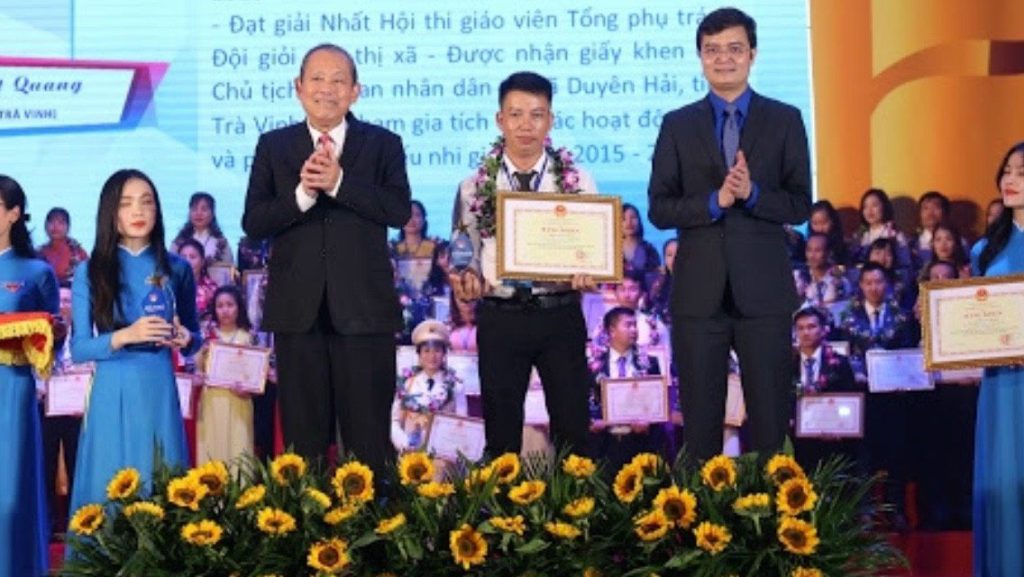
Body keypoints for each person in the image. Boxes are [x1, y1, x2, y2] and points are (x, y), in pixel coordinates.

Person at [646, 7, 811, 462]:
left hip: (764, 294)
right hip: (699, 296)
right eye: (712, 50)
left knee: (771, 427)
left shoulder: (785, 119)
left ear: (752, 55)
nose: (724, 59)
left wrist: (753, 194)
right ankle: (701, 510)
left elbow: (800, 204)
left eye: (734, 49)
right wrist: (713, 202)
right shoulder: (677, 124)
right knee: (700, 432)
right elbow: (659, 208)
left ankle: (773, 508)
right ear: (700, 57)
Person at [241, 43, 411, 475]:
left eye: (338, 80)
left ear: (355, 91)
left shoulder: (383, 144)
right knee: (304, 444)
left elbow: (397, 211)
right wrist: (301, 196)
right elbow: (254, 222)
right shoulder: (274, 145)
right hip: (298, 316)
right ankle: (307, 520)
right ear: (298, 88)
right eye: (317, 79)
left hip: (365, 315)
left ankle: (374, 520)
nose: (327, 89)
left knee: (368, 441)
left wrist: (339, 184)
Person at [449, 71, 598, 457]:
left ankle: (575, 497)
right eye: (515, 114)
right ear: (500, 119)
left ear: (550, 120)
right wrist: (466, 277)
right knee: (501, 435)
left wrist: (591, 270)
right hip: (501, 315)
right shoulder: (473, 185)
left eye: (536, 114)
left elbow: (592, 247)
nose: (526, 125)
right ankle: (503, 499)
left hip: (560, 313)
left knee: (573, 429)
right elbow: (463, 253)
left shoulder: (578, 181)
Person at [68, 169, 200, 525]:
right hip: (112, 387)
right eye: (126, 204)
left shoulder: (178, 268)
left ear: (158, 210)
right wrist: (125, 335)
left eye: (146, 202)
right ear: (110, 213)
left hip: (159, 384)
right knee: (108, 482)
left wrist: (186, 339)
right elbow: (79, 349)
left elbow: (195, 339)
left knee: (161, 478)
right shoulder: (90, 271)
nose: (138, 211)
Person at [0, 175, 58, 576]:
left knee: (11, 492)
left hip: (12, 387)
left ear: (14, 214)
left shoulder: (37, 271)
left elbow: (55, 333)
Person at [971, 141, 1024, 576]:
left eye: (1022, 173)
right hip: (1000, 383)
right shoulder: (984, 249)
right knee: (1004, 480)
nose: (1010, 180)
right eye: (1007, 171)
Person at [587, 307, 664, 475]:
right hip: (605, 446)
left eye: (635, 325)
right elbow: (585, 404)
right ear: (611, 331)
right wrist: (592, 422)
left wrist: (648, 422)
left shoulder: (649, 364)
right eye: (628, 325)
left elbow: (658, 404)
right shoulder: (593, 366)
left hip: (640, 445)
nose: (634, 330)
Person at [791, 307, 862, 473]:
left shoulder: (840, 363)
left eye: (811, 327)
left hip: (832, 442)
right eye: (800, 328)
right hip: (797, 443)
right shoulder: (786, 365)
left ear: (823, 330)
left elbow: (849, 400)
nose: (805, 333)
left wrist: (842, 426)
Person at [196, 285, 256, 466]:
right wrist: (199, 377)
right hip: (211, 401)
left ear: (239, 307)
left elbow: (255, 377)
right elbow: (197, 371)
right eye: (220, 306)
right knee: (212, 450)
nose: (225, 310)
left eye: (230, 305)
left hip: (239, 401)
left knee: (239, 448)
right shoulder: (206, 337)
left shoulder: (248, 338)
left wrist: (247, 390)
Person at [390, 320, 467, 454]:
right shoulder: (407, 383)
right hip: (411, 455)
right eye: (426, 351)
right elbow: (394, 421)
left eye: (437, 350)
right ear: (419, 354)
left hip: (443, 455)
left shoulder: (456, 385)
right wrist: (404, 444)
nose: (432, 356)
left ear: (444, 354)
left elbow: (462, 424)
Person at [171, 192, 234, 264]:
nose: (198, 213)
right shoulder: (179, 241)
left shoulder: (221, 243)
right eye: (194, 209)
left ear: (212, 214)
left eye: (204, 210)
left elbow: (228, 267)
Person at [37, 207, 89, 285]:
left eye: (60, 223)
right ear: (45, 226)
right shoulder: (39, 253)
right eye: (51, 222)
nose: (55, 226)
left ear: (68, 227)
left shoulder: (78, 253)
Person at [177, 238, 218, 323]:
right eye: (183, 257)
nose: (187, 261)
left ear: (202, 261)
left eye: (192, 257)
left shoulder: (211, 288)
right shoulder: (169, 286)